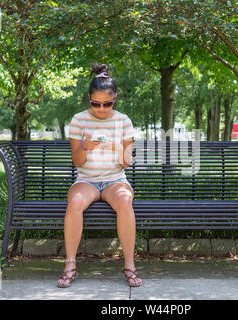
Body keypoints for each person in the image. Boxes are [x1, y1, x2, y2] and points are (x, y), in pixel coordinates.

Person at [57, 63, 142, 288]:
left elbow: (126, 163)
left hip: (115, 180)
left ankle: (130, 265)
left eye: (107, 104)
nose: (102, 109)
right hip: (87, 180)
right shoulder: (79, 120)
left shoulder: (123, 121)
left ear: (116, 98)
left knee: (125, 200)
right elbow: (76, 162)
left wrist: (116, 146)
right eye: (96, 103)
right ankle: (70, 265)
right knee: (74, 201)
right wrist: (85, 146)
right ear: (89, 98)